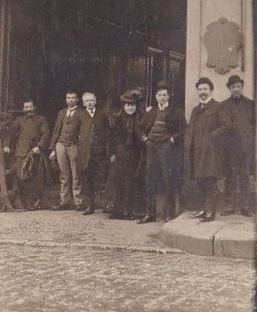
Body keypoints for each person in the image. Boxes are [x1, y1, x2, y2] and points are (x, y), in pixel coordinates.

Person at [137, 81, 185, 223]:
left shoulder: (175, 112)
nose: (162, 98)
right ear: (156, 97)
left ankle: (169, 213)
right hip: (151, 147)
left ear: (169, 96)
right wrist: (144, 138)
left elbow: (183, 129)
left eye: (165, 95)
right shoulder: (151, 112)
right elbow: (139, 128)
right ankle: (150, 213)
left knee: (167, 179)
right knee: (150, 179)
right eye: (159, 95)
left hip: (166, 148)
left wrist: (172, 139)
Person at [185, 77, 227, 222]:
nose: (202, 92)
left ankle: (210, 212)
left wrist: (211, 136)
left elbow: (226, 126)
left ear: (211, 90)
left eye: (205, 89)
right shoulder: (196, 110)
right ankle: (203, 210)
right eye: (200, 89)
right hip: (197, 152)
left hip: (211, 152)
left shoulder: (218, 107)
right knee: (200, 182)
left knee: (210, 182)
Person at [218, 74, 256, 217]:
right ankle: (229, 205)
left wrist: (250, 143)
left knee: (245, 176)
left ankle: (245, 206)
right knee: (230, 176)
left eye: (238, 86)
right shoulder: (223, 106)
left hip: (245, 148)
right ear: (229, 88)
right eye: (233, 87)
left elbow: (254, 127)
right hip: (229, 148)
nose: (236, 89)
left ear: (242, 87)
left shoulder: (250, 105)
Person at [4, 99, 51, 210]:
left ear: (34, 108)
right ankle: (26, 202)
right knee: (21, 176)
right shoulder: (19, 120)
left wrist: (39, 146)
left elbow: (46, 134)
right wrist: (6, 145)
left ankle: (37, 202)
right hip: (21, 152)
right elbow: (9, 133)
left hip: (36, 152)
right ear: (23, 109)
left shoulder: (41, 119)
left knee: (38, 178)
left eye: (31, 107)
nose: (29, 110)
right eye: (26, 108)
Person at [108, 89, 145, 220]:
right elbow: (112, 137)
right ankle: (117, 210)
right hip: (120, 153)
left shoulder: (141, 118)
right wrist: (112, 153)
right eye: (128, 105)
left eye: (132, 105)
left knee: (132, 181)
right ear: (124, 106)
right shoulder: (118, 119)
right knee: (118, 181)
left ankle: (130, 211)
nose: (130, 108)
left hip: (135, 153)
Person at [49, 90, 84, 210]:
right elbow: (56, 130)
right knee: (64, 174)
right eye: (68, 98)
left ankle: (78, 201)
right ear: (65, 99)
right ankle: (64, 202)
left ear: (77, 100)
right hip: (60, 145)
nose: (71, 100)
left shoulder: (81, 113)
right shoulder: (61, 113)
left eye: (73, 98)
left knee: (76, 174)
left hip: (74, 145)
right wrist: (53, 148)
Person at [77, 91, 110, 215]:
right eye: (87, 101)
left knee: (101, 177)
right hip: (85, 153)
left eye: (91, 100)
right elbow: (75, 133)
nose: (89, 103)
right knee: (87, 178)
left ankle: (103, 204)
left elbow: (107, 133)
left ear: (95, 101)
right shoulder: (80, 115)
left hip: (99, 152)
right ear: (84, 103)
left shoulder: (102, 115)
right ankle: (89, 206)